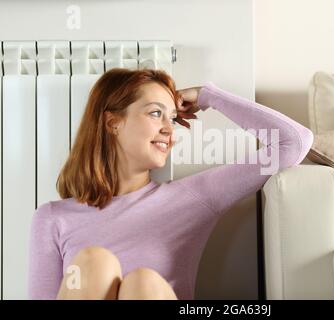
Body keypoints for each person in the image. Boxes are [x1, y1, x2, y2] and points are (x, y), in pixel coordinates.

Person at [28, 68, 314, 300]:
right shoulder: (53, 218)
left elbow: (293, 143)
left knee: (143, 282)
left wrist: (208, 96)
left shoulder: (193, 198)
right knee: (94, 264)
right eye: (155, 113)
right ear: (113, 123)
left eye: (173, 118)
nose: (169, 129)